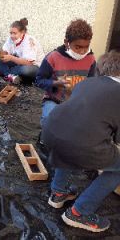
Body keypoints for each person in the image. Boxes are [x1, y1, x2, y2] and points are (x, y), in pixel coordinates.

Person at [42, 51, 120, 233]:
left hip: (51, 131)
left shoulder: (87, 83)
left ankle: (58, 193)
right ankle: (79, 213)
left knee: (71, 139)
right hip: (79, 143)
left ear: (101, 69)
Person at [36, 19, 96, 129]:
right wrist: (55, 83)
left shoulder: (90, 59)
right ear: (66, 42)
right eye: (77, 47)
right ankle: (45, 140)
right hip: (54, 100)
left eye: (86, 47)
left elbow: (91, 83)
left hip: (77, 102)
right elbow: (39, 81)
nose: (82, 51)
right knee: (49, 119)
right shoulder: (53, 57)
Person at [0, 18, 44, 84]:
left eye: (15, 33)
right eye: (11, 33)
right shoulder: (11, 39)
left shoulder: (29, 41)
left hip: (35, 67)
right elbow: (6, 50)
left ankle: (5, 73)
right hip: (19, 62)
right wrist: (2, 54)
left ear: (22, 33)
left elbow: (29, 63)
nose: (12, 36)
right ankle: (10, 75)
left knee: (25, 70)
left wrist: (11, 58)